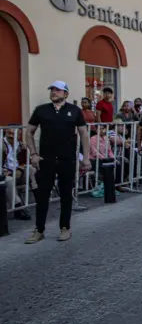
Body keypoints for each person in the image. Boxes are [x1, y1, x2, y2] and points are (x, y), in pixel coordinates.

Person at [24, 81, 91, 243]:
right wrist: (33, 153)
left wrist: (86, 158)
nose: (54, 92)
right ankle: (39, 230)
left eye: (58, 90)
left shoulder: (74, 111)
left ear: (66, 94)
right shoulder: (41, 110)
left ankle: (65, 228)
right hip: (46, 159)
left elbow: (84, 134)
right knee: (42, 195)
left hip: (67, 159)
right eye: (52, 90)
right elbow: (29, 132)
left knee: (66, 194)